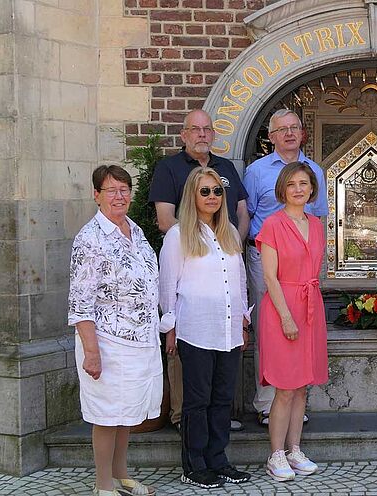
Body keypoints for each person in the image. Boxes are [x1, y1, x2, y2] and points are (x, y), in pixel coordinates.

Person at [149, 109, 250, 433]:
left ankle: (216, 453)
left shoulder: (226, 169)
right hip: (193, 314)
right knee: (193, 391)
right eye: (195, 129)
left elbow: (242, 213)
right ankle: (184, 427)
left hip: (225, 312)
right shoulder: (170, 169)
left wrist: (225, 243)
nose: (202, 134)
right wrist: (203, 240)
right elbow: (165, 220)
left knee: (220, 393)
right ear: (184, 134)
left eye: (208, 129)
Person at [68, 165, 161, 496]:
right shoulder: (89, 239)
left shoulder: (133, 230)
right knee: (107, 416)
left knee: (127, 414)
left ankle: (121, 475)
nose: (120, 196)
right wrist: (91, 352)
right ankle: (102, 484)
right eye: (111, 190)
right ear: (96, 195)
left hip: (139, 341)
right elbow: (80, 304)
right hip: (107, 342)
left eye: (124, 189)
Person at [158, 167, 252, 489]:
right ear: (192, 196)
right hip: (195, 329)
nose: (212, 197)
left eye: (216, 191)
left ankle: (218, 459)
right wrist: (169, 327)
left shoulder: (228, 232)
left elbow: (239, 280)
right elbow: (168, 284)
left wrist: (242, 320)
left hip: (227, 330)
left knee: (223, 398)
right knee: (196, 400)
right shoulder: (178, 234)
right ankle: (193, 464)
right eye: (205, 191)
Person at [243, 109, 328, 427]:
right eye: (282, 129)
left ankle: (294, 396)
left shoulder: (314, 171)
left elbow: (317, 218)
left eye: (295, 128)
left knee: (299, 333)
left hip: (301, 268)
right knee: (270, 328)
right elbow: (245, 215)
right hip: (264, 256)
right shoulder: (256, 171)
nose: (289, 133)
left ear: (302, 133)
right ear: (271, 136)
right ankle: (269, 401)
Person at [256, 162, 328, 482]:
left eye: (304, 183)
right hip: (282, 307)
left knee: (302, 387)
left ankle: (294, 448)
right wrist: (286, 316)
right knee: (284, 387)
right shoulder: (272, 224)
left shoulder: (316, 224)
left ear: (312, 188)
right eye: (292, 184)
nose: (298, 189)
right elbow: (269, 276)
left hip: (311, 306)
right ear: (283, 189)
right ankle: (275, 454)